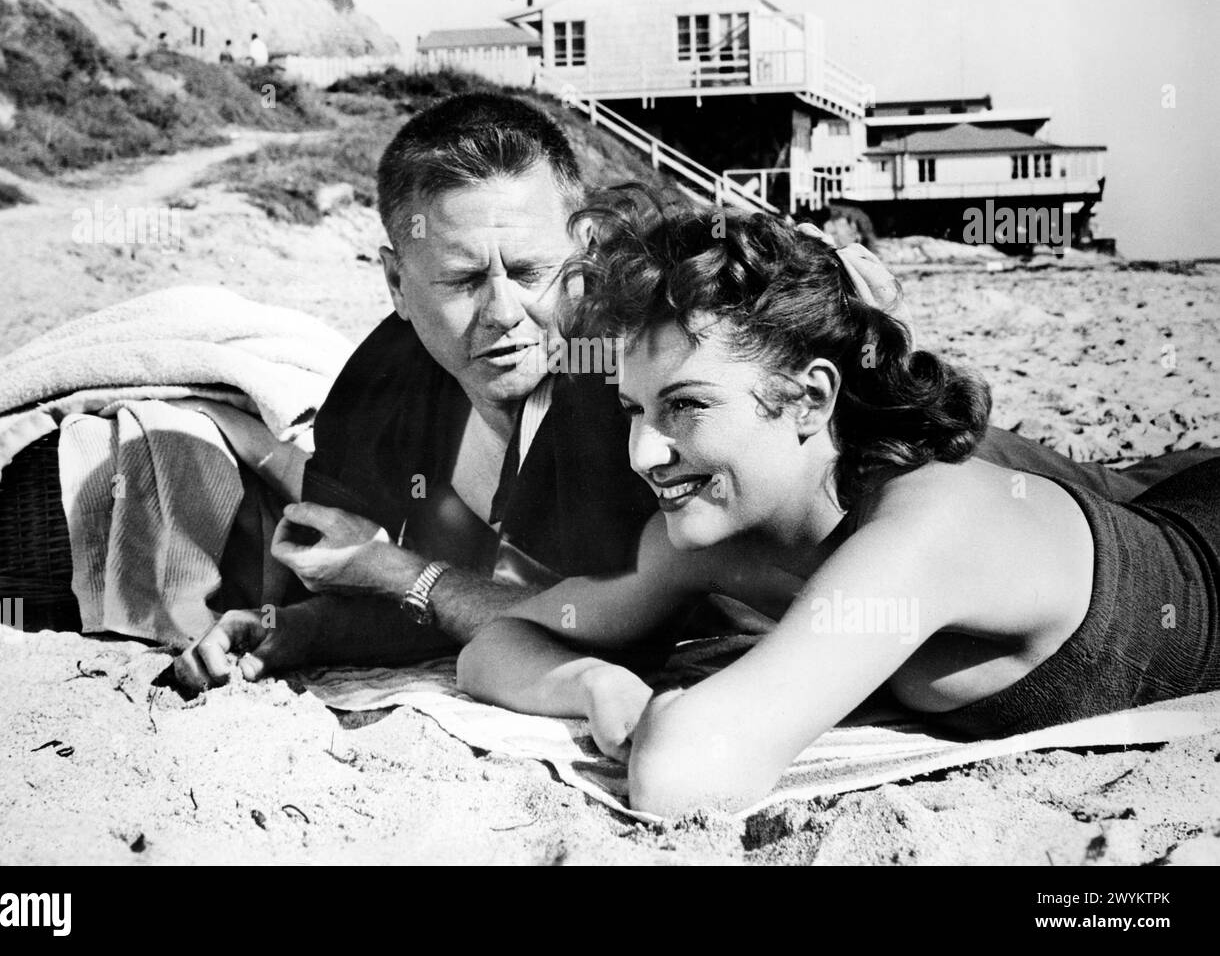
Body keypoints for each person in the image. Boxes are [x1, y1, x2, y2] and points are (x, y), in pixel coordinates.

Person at [174, 95, 1207, 692]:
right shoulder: (376, 391)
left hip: (978, 500)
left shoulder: (646, 359)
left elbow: (570, 614)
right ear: (393, 283)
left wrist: (393, 571)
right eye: (455, 282)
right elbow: (432, 601)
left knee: (1152, 502)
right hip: (790, 599)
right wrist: (295, 632)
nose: (502, 314)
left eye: (528, 272)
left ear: (578, 252)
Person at [457, 195, 1220, 816]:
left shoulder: (928, 527)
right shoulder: (710, 541)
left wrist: (670, 716)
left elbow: (683, 771)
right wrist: (595, 683)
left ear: (810, 398)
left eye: (685, 406)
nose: (643, 453)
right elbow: (497, 644)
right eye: (634, 408)